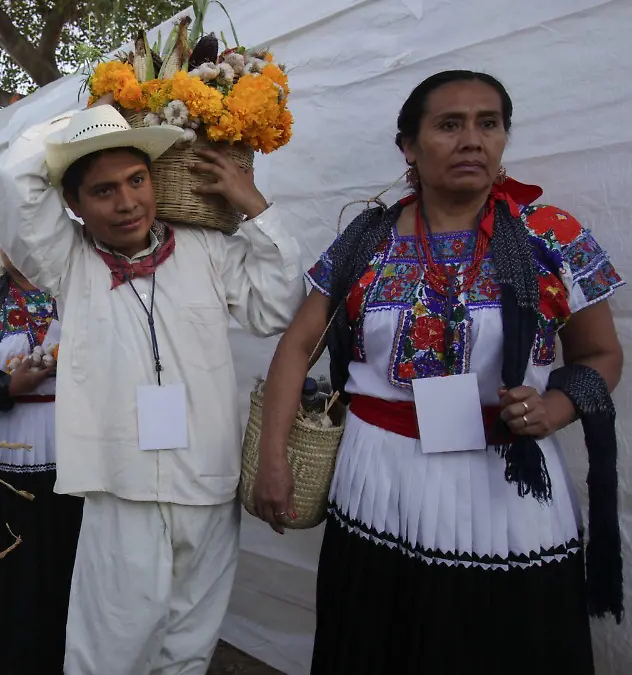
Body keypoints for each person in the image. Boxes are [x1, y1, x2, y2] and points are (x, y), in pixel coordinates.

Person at [253, 70, 624, 674]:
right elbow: (298, 346)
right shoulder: (367, 237)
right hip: (378, 480)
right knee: (378, 640)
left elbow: (601, 355)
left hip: (506, 482)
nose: (472, 140)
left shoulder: (550, 236)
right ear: (409, 146)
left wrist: (556, 407)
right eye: (449, 125)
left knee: (505, 642)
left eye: (489, 123)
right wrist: (274, 457)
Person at [0, 97, 307, 674]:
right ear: (73, 204)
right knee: (110, 650)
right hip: (121, 486)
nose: (127, 201)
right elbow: (12, 180)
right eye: (103, 190)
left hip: (208, 480)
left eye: (137, 179)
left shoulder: (207, 247)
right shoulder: (66, 262)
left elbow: (276, 308)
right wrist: (90, 116)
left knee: (188, 647)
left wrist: (255, 208)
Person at [0, 246, 82, 674]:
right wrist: (8, 385)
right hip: (5, 461)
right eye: (8, 240)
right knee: (8, 558)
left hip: (72, 452)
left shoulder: (73, 291)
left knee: (66, 557)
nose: (17, 249)